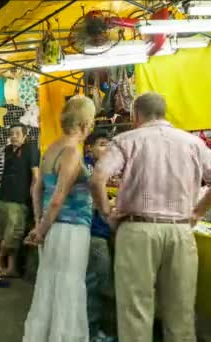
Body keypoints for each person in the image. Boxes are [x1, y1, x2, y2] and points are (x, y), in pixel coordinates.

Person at [90, 92, 211, 342]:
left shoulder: (126, 140)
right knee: (180, 310)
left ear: (136, 115)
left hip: (137, 230)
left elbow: (97, 178)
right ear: (164, 112)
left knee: (136, 310)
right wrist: (197, 212)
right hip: (180, 231)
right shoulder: (192, 143)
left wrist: (106, 214)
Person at [22, 96, 95, 341]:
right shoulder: (73, 151)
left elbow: (37, 189)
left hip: (52, 229)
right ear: (85, 123)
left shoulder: (51, 148)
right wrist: (41, 229)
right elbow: (58, 197)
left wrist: (39, 223)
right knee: (68, 289)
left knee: (49, 286)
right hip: (70, 231)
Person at [0, 124, 40, 278]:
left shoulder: (31, 149)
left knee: (12, 235)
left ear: (25, 135)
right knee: (2, 233)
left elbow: (36, 175)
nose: (13, 136)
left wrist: (34, 197)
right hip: (3, 196)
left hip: (18, 199)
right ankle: (11, 268)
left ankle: (0, 257)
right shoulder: (8, 150)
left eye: (17, 133)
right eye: (11, 133)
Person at [84, 130, 117, 342]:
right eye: (103, 144)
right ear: (89, 147)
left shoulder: (98, 169)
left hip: (96, 233)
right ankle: (92, 332)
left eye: (109, 144)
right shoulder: (88, 170)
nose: (108, 149)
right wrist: (110, 205)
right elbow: (91, 203)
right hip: (94, 234)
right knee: (96, 285)